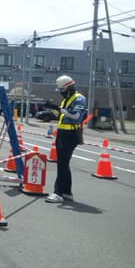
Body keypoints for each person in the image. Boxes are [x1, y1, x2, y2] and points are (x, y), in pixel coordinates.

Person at [46, 75, 88, 203]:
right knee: (63, 163)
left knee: (62, 163)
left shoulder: (79, 98)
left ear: (69, 88)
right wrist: (53, 109)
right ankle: (67, 192)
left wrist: (59, 109)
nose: (61, 93)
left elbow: (76, 116)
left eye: (62, 90)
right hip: (63, 133)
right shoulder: (67, 99)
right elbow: (63, 115)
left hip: (70, 134)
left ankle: (58, 193)